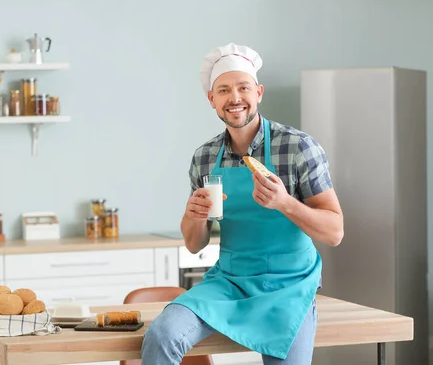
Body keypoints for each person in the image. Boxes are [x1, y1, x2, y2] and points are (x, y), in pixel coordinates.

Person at [140, 43, 344, 364]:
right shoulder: (205, 158)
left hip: (288, 288)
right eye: (223, 90)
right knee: (162, 333)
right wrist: (194, 216)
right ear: (212, 100)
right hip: (228, 282)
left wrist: (285, 203)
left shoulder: (298, 148)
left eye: (243, 88)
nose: (234, 98)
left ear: (258, 92)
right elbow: (195, 245)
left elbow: (334, 231)